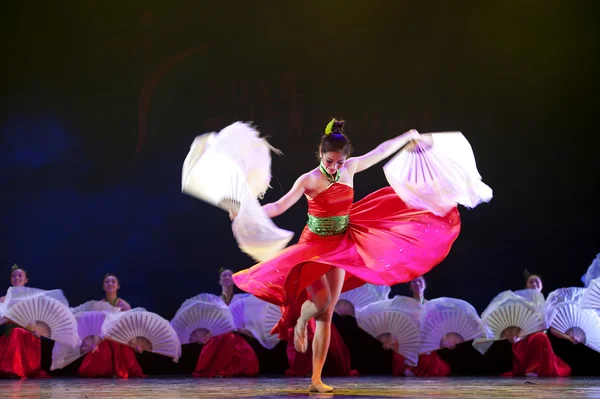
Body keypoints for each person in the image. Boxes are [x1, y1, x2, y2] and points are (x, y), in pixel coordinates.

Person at [233, 119, 461, 392]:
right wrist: (248, 212)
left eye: (339, 162)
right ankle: (302, 321)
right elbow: (280, 205)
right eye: (330, 161)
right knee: (322, 300)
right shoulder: (309, 179)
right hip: (314, 246)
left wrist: (406, 137)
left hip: (341, 243)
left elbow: (379, 152)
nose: (335, 167)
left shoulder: (350, 169)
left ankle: (316, 379)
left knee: (327, 314)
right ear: (321, 154)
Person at [500, 271, 571, 377]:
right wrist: (512, 336)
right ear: (526, 286)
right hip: (523, 340)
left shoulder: (548, 305)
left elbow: (552, 329)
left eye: (536, 282)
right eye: (531, 282)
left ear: (541, 285)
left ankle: (536, 368)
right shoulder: (520, 303)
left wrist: (569, 338)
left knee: (541, 337)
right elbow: (514, 324)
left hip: (540, 342)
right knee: (540, 337)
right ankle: (532, 369)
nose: (534, 284)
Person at [192, 268, 259, 378]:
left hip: (235, 334)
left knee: (230, 339)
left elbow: (242, 320)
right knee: (223, 338)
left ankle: (227, 369)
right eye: (224, 275)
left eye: (230, 276)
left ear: (234, 281)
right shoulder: (214, 301)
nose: (227, 277)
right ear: (219, 281)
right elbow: (212, 322)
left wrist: (245, 330)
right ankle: (219, 369)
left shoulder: (240, 299)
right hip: (218, 336)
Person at [77, 273, 145, 378]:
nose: (110, 283)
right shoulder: (98, 305)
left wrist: (136, 344)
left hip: (120, 339)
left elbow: (130, 327)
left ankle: (117, 369)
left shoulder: (125, 305)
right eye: (107, 281)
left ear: (118, 286)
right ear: (103, 286)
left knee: (121, 346)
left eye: (113, 281)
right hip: (103, 339)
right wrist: (93, 343)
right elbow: (94, 327)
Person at [0, 264, 48, 378]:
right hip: (9, 336)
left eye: (20, 276)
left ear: (26, 280)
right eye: (14, 276)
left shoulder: (33, 298)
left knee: (17, 332)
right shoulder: (3, 299)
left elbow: (38, 320)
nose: (17, 278)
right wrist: (8, 317)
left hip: (28, 334)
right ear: (10, 279)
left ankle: (15, 369)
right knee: (14, 332)